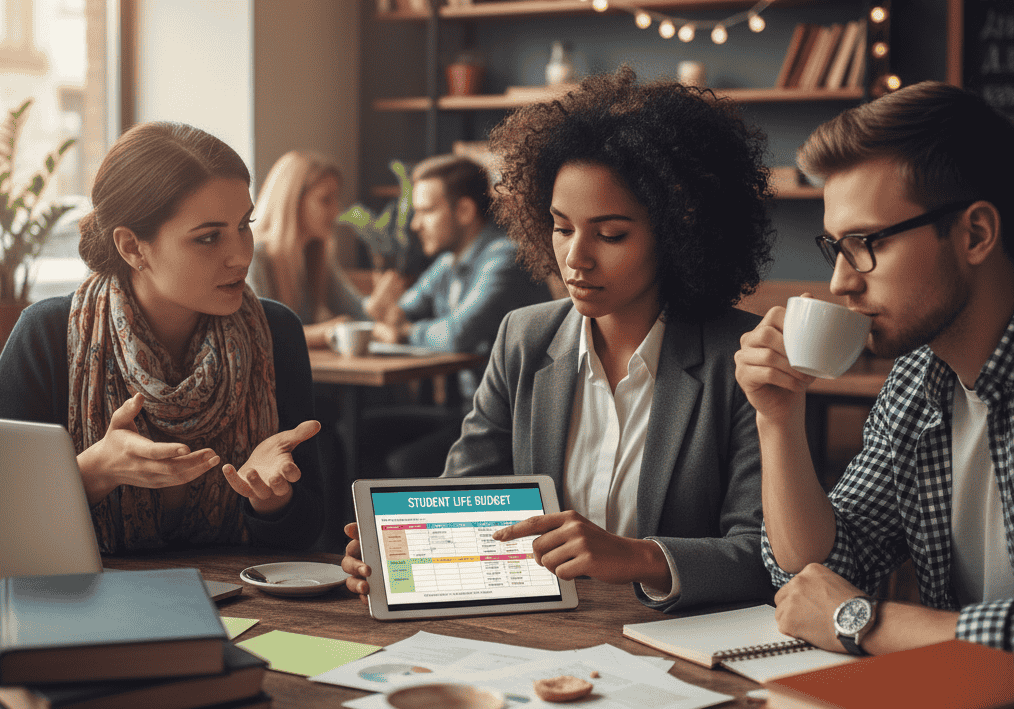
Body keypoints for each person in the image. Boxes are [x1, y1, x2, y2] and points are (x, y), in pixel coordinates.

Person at [344, 66, 777, 611]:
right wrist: (401, 551)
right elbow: (464, 496)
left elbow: (765, 558)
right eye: (561, 226)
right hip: (541, 634)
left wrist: (639, 557)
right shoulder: (524, 337)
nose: (575, 259)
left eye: (611, 233)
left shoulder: (740, 357)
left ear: (678, 230)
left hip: (678, 643)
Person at [734, 81, 1014, 653]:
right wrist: (778, 419)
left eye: (866, 242)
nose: (840, 281)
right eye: (836, 246)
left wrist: (864, 623)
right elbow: (815, 574)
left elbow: (836, 608)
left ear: (975, 234)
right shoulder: (919, 380)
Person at [0, 122, 324, 553]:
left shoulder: (276, 333)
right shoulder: (46, 336)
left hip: (246, 612)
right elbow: (10, 533)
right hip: (80, 609)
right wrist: (93, 472)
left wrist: (274, 501)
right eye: (209, 237)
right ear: (133, 247)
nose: (242, 254)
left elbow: (309, 533)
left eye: (244, 225)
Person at [358, 154, 551, 478]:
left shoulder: (504, 258)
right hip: (468, 412)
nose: (416, 224)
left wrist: (403, 331)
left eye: (426, 211)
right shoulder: (449, 262)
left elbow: (459, 333)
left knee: (404, 463)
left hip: (513, 423)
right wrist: (386, 310)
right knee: (356, 436)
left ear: (463, 211)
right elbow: (403, 310)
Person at [248, 150, 369, 349]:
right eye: (325, 200)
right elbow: (259, 333)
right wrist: (327, 332)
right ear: (294, 201)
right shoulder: (254, 257)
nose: (336, 211)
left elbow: (358, 311)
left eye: (336, 199)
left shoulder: (316, 257)